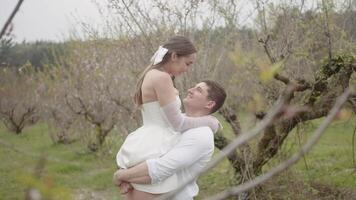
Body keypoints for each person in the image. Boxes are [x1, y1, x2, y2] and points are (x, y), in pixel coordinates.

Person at [115, 36, 220, 197]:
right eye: (188, 63)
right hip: (156, 144)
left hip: (147, 140)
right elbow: (177, 123)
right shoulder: (162, 78)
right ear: (174, 56)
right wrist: (210, 121)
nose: (187, 69)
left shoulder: (154, 74)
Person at [114, 80, 227, 199]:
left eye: (198, 90)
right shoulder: (176, 122)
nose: (190, 90)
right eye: (193, 87)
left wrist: (120, 176)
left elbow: (160, 169)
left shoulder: (201, 134)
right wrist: (125, 170)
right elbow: (144, 148)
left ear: (209, 104)